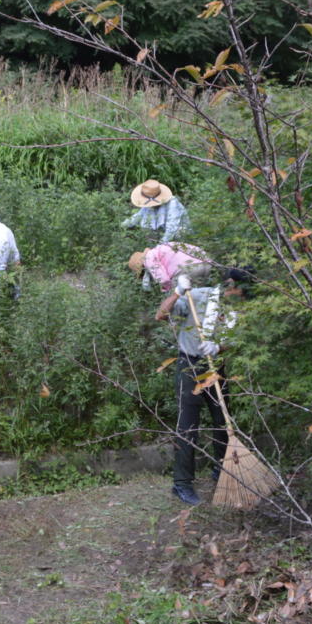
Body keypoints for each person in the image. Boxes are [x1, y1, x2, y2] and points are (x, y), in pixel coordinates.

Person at [154, 265, 241, 506]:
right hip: (189, 366)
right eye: (241, 291)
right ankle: (182, 484)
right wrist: (178, 292)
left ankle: (222, 471)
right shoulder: (198, 296)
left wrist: (219, 347)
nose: (242, 297)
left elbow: (235, 338)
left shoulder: (238, 308)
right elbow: (161, 315)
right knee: (188, 426)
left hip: (216, 367)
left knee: (222, 421)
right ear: (231, 285)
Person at [122, 179, 188, 243]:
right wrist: (121, 226)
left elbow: (172, 228)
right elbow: (137, 217)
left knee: (177, 234)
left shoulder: (172, 203)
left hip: (178, 235)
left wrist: (160, 246)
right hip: (162, 233)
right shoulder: (148, 205)